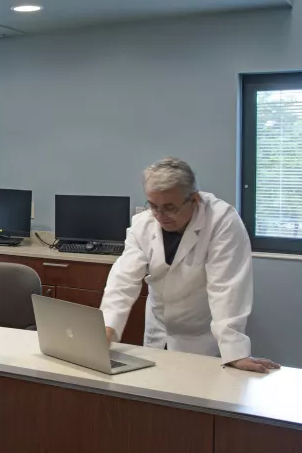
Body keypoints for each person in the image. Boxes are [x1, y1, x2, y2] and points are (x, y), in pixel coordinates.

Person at [101, 157, 280, 373]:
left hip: (201, 337)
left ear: (194, 199)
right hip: (157, 330)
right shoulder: (143, 224)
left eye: (169, 208)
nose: (160, 216)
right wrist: (106, 328)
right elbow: (122, 280)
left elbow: (227, 289)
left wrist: (235, 352)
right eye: (154, 206)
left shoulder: (222, 222)